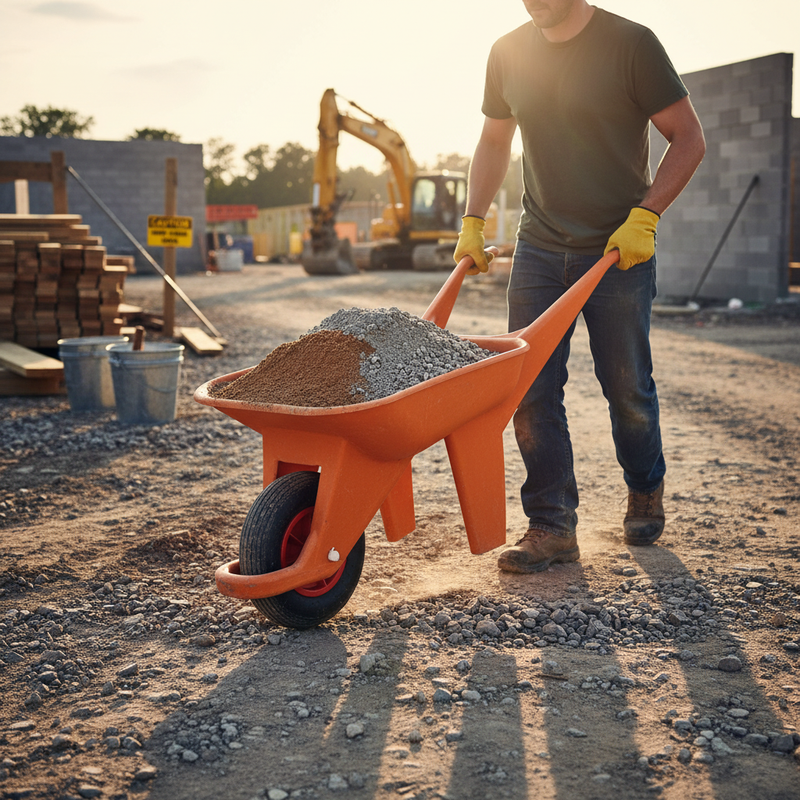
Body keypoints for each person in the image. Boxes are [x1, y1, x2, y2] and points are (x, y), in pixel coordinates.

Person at [453, 0, 705, 574]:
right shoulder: (507, 52)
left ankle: (645, 485)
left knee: (626, 385)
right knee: (529, 389)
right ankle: (552, 525)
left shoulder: (632, 45)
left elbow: (689, 138)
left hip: (618, 249)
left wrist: (647, 216)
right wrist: (472, 220)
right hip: (539, 248)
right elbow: (493, 141)